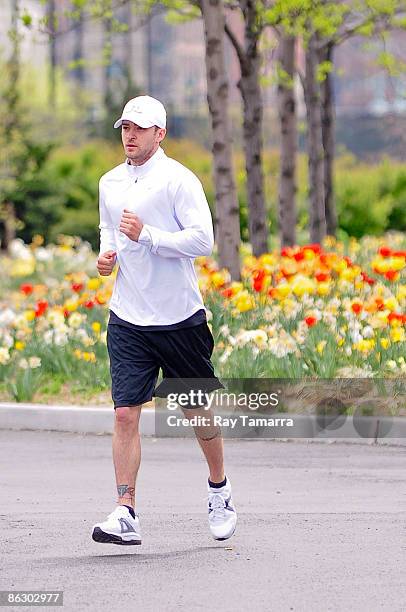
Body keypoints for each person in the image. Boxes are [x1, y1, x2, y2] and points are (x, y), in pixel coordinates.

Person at [92, 95, 237, 545]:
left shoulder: (179, 181)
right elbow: (107, 227)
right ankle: (125, 510)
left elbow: (203, 241)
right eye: (124, 128)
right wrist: (106, 254)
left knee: (195, 409)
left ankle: (219, 489)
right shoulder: (110, 182)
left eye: (139, 128)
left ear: (160, 133)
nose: (129, 136)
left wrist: (148, 236)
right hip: (128, 316)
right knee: (124, 414)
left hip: (178, 318)